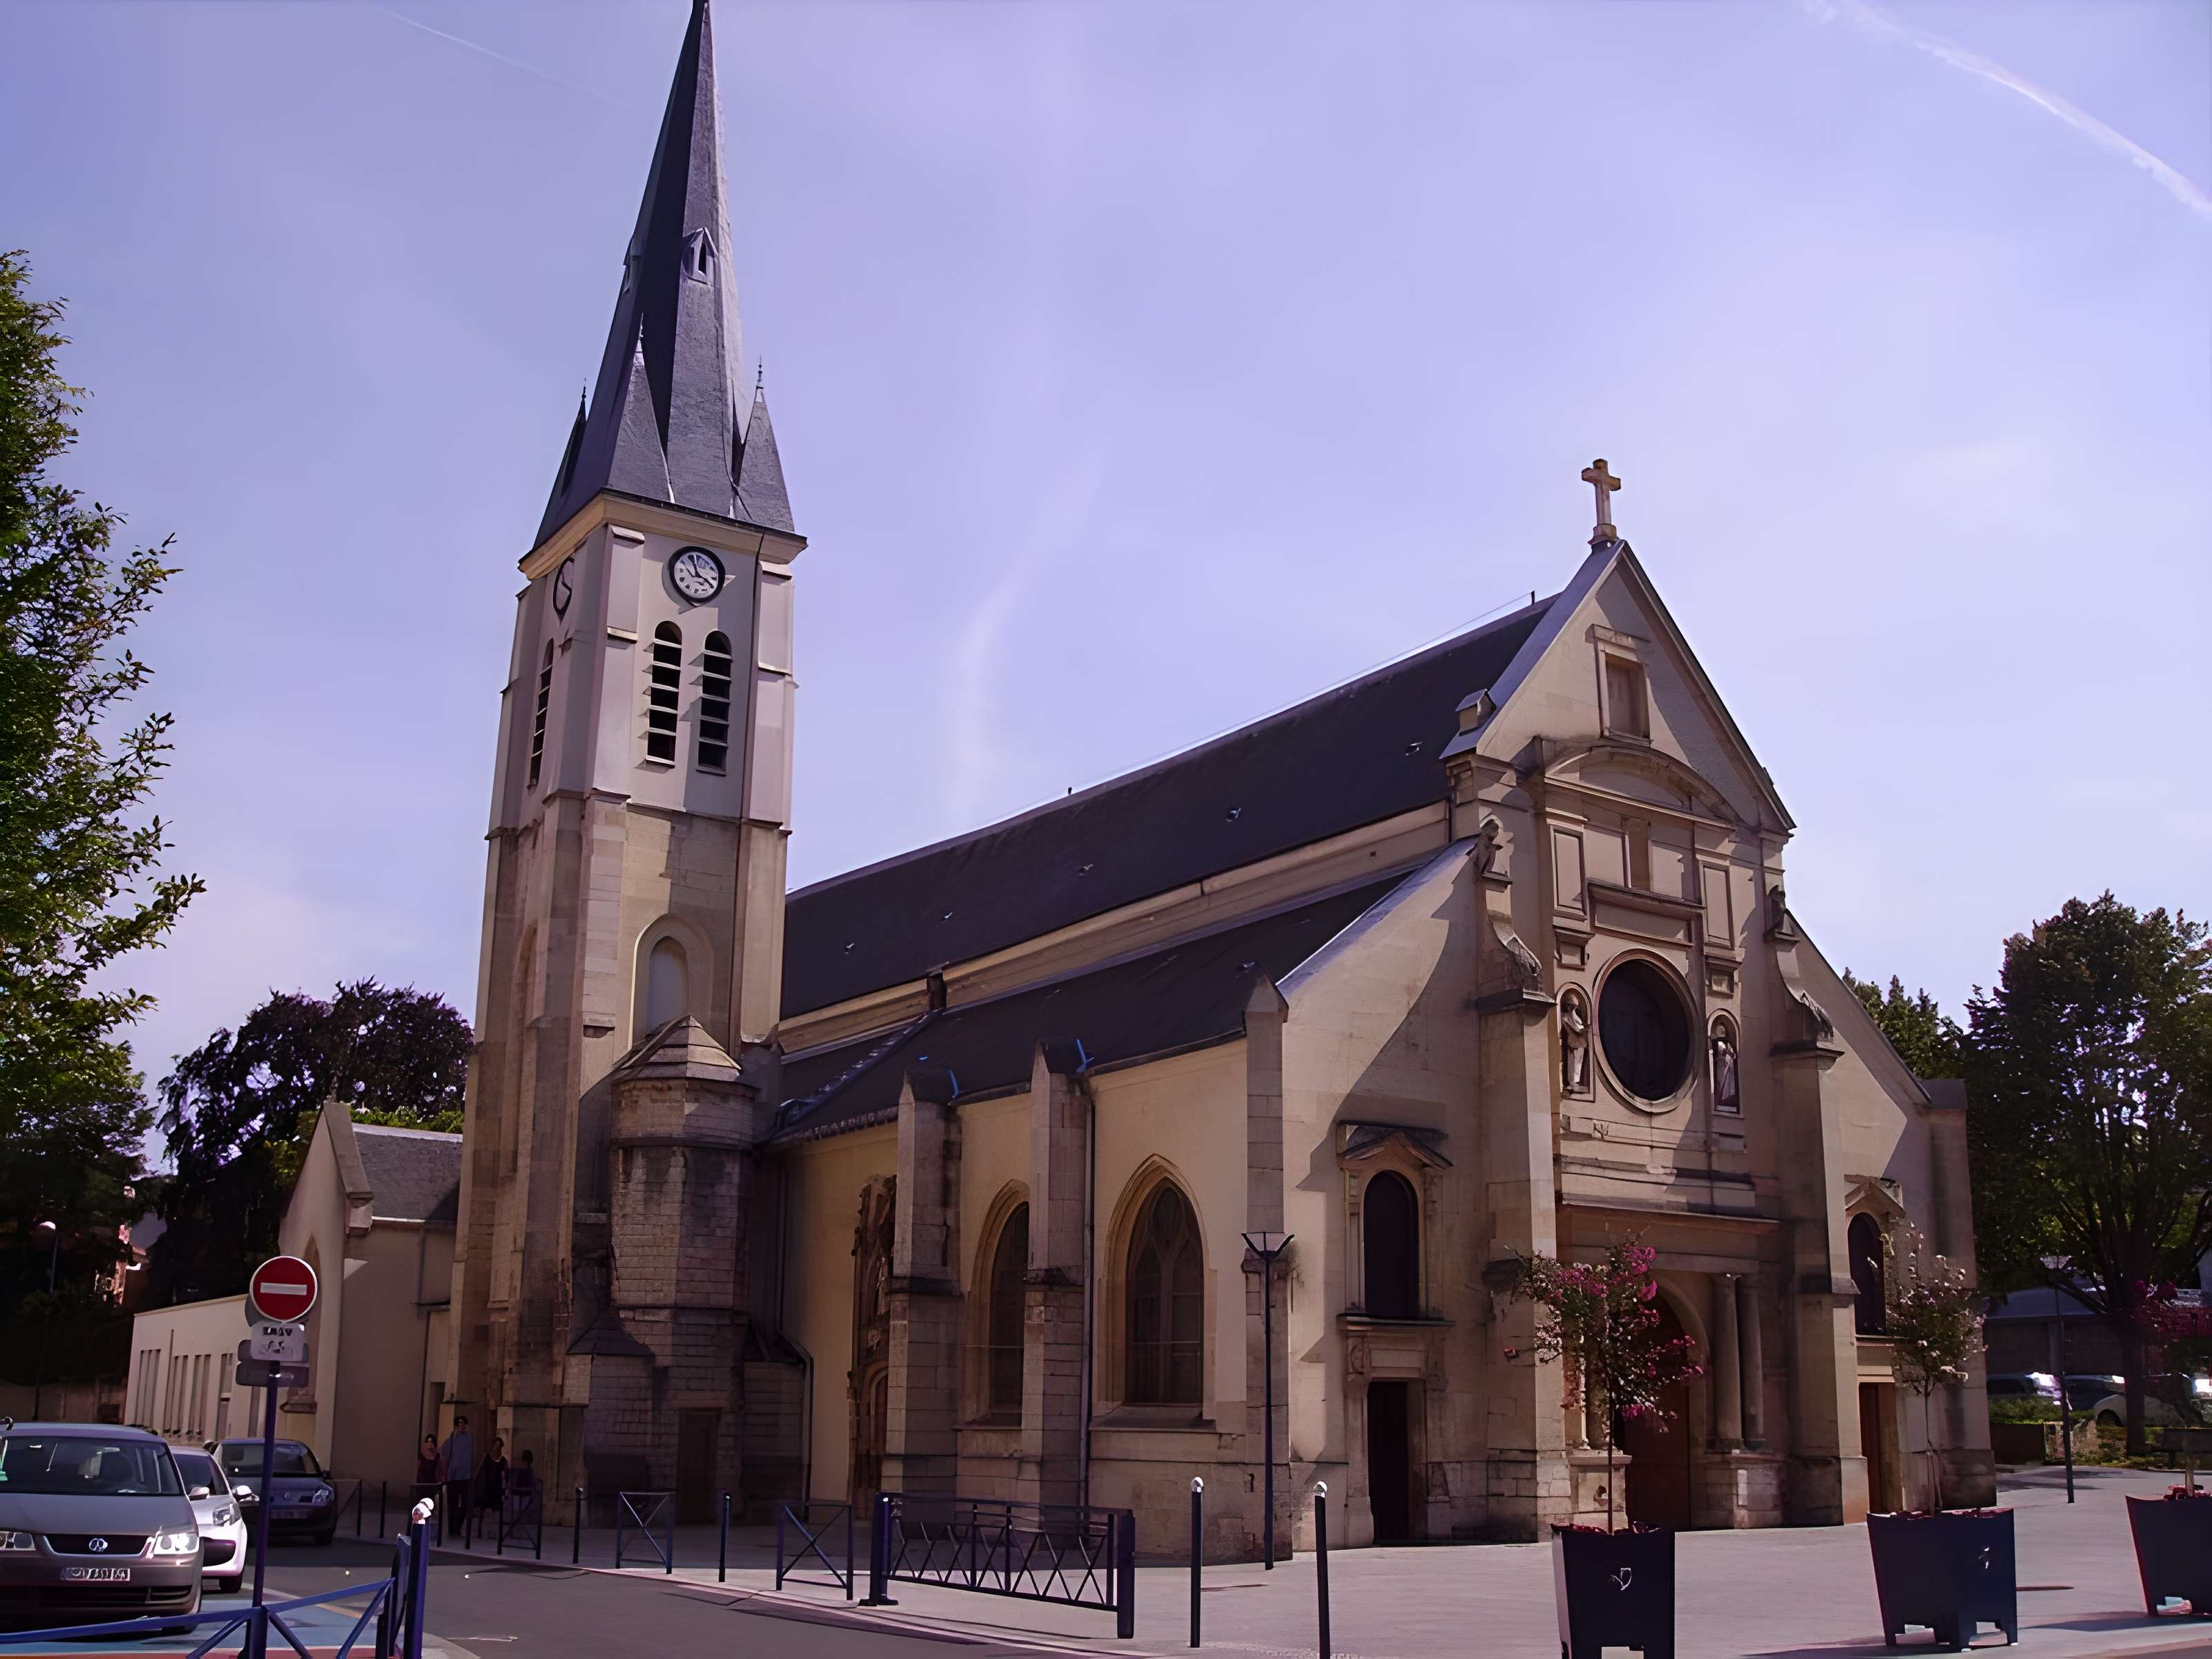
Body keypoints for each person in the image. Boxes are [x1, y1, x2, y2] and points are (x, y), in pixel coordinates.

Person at [439, 1415, 475, 1539]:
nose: (463, 1426)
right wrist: (444, 1475)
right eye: (461, 1423)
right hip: (452, 1476)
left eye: (465, 1423)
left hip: (465, 1476)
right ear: (456, 1425)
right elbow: (444, 1459)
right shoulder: (450, 1441)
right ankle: (452, 1529)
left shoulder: (469, 1439)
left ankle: (457, 1527)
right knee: (452, 1504)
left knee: (465, 1503)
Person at [476, 1436, 509, 1525]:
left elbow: (506, 1475)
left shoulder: (503, 1461)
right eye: (495, 1446)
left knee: (497, 1509)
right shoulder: (487, 1457)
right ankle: (480, 1529)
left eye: (499, 1446)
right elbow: (481, 1471)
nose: (496, 1448)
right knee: (483, 1508)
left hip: (497, 1489)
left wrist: (505, 1488)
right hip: (486, 1488)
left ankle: (496, 1529)